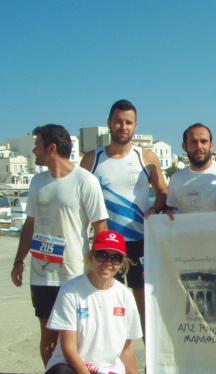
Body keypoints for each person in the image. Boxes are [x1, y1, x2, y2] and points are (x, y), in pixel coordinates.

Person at [11, 124, 108, 374]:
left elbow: (100, 225)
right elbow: (30, 224)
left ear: (52, 148)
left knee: (79, 337)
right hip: (42, 273)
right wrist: (19, 260)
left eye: (38, 145)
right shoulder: (37, 182)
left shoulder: (85, 180)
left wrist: (100, 267)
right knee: (48, 334)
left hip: (75, 272)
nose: (34, 151)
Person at [43, 230, 147, 374]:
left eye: (116, 257)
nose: (108, 262)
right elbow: (69, 349)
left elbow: (127, 347)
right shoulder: (70, 291)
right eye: (102, 255)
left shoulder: (125, 295)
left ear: (122, 263)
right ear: (90, 257)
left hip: (107, 368)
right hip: (71, 366)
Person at [81, 99, 168, 333]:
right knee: (106, 306)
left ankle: (150, 356)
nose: (123, 127)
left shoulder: (146, 157)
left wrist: (155, 209)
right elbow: (80, 200)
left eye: (128, 122)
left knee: (145, 309)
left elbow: (163, 191)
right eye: (118, 122)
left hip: (141, 243)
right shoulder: (92, 159)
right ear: (109, 123)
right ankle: (109, 354)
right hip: (106, 245)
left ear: (135, 125)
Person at [165, 123, 216, 216]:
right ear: (184, 146)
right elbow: (170, 212)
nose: (199, 146)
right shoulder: (176, 178)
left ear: (211, 145)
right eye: (193, 142)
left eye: (204, 141)